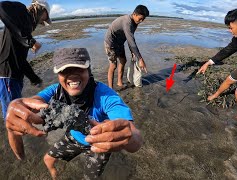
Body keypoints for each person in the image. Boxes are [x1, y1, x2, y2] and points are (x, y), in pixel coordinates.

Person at [5, 48, 143, 179]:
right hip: (73, 138)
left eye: (79, 68)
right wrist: (18, 106)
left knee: (90, 178)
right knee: (48, 159)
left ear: (88, 70)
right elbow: (34, 102)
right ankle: (55, 175)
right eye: (64, 71)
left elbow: (133, 134)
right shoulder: (56, 91)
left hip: (98, 144)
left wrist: (130, 137)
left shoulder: (106, 95)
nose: (71, 75)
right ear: (58, 75)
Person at [0, 0, 51, 122]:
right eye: (45, 18)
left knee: (16, 111)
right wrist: (30, 41)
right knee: (12, 116)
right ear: (41, 10)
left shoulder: (26, 27)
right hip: (8, 75)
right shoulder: (20, 10)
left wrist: (33, 78)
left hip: (15, 76)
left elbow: (20, 59)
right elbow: (1, 6)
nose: (42, 22)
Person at [104, 5, 149, 89]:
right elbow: (131, 41)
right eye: (140, 18)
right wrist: (140, 59)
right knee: (113, 66)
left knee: (123, 60)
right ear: (134, 14)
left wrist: (133, 52)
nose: (141, 21)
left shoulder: (135, 23)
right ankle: (110, 89)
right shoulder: (127, 22)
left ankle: (119, 82)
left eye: (143, 19)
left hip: (120, 42)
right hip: (110, 43)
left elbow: (130, 39)